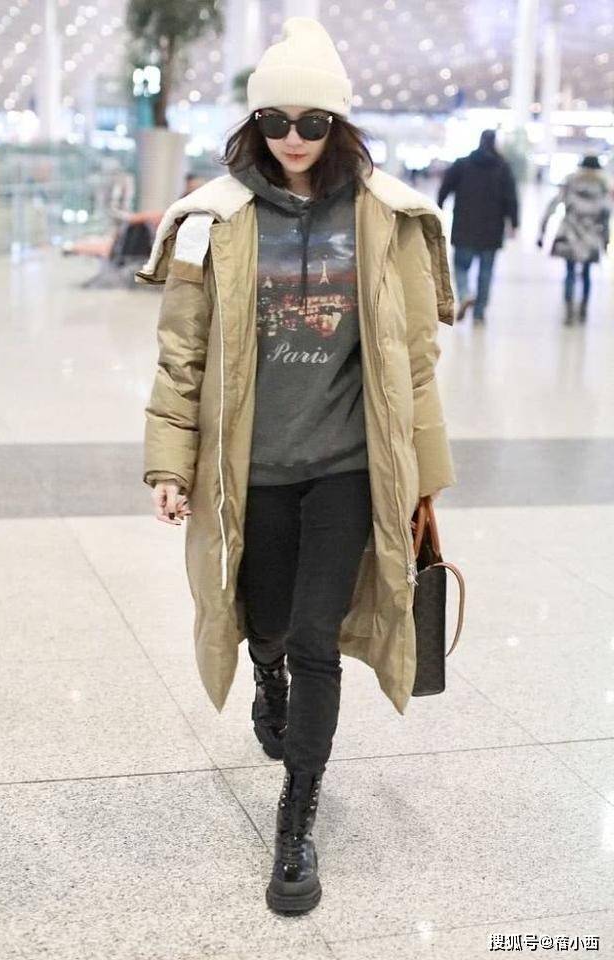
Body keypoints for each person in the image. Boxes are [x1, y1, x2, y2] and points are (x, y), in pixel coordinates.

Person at [136, 16, 456, 916]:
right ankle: (265, 673)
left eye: (312, 122)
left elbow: (414, 360)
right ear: (254, 123)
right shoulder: (216, 220)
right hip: (255, 466)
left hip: (349, 466)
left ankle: (297, 816)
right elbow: (183, 355)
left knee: (319, 639)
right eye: (274, 120)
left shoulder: (386, 218)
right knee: (269, 623)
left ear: (338, 124)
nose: (292, 138)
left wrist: (424, 481)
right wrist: (170, 463)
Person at [437, 129, 519, 324]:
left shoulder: (462, 164)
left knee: (460, 267)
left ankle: (465, 293)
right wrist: (514, 223)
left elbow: (445, 188)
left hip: (464, 226)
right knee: (486, 272)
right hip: (492, 230)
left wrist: (438, 206)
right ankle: (479, 313)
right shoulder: (503, 167)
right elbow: (511, 198)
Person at [537, 154, 611, 325]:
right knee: (586, 274)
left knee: (570, 273)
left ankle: (569, 309)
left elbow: (553, 205)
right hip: (591, 236)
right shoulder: (602, 186)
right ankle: (583, 309)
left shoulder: (571, 181)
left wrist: (542, 229)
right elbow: (606, 214)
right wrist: (605, 240)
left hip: (570, 234)